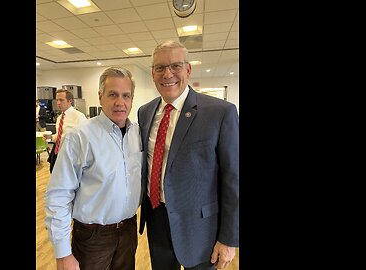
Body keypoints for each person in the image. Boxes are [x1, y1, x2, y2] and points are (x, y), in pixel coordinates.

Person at [137, 40, 239, 270]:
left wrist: (229, 238)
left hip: (202, 228)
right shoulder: (145, 112)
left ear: (188, 69)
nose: (167, 74)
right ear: (152, 73)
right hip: (157, 219)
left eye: (175, 66)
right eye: (160, 68)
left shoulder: (220, 112)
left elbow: (234, 179)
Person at [44, 67, 142, 270]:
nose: (120, 102)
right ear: (100, 96)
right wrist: (63, 253)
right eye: (112, 94)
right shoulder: (80, 137)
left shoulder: (137, 134)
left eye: (126, 95)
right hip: (92, 237)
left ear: (132, 99)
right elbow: (58, 195)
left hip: (128, 232)